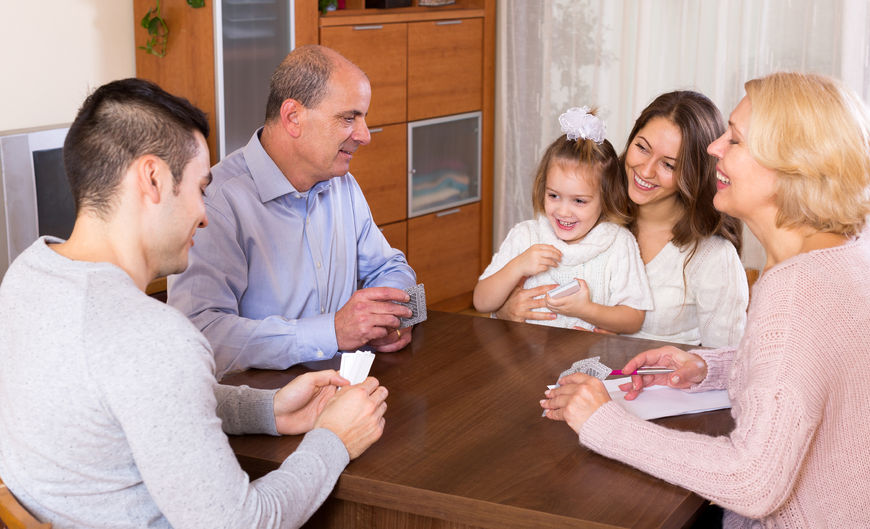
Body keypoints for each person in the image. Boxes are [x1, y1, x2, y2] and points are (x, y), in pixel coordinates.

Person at [0, 78, 389, 529]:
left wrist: (267, 408)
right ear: (152, 178)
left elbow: (136, 401)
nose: (205, 214)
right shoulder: (155, 338)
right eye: (200, 188)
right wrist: (333, 440)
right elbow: (246, 523)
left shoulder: (27, 275)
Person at [541, 72, 870, 528]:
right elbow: (811, 368)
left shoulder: (796, 295)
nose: (715, 148)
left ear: (790, 166)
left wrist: (603, 422)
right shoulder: (848, 245)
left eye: (734, 140)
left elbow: (752, 481)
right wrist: (708, 367)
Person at [168, 45, 416, 378]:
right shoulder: (217, 202)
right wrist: (331, 332)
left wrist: (390, 316)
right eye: (348, 117)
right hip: (261, 405)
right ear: (293, 118)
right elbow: (200, 333)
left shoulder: (342, 184)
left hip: (346, 388)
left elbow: (390, 266)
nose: (364, 135)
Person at [497, 91, 748, 348]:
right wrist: (506, 311)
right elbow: (517, 290)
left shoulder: (712, 257)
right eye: (642, 148)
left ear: (693, 174)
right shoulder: (587, 214)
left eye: (669, 165)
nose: (646, 171)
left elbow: (727, 363)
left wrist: (620, 345)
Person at [473, 107, 652, 332]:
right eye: (554, 196)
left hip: (586, 363)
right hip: (524, 359)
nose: (563, 212)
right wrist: (517, 266)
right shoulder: (526, 235)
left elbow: (633, 318)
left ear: (606, 199)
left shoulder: (618, 243)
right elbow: (481, 302)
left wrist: (584, 309)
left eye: (579, 201)